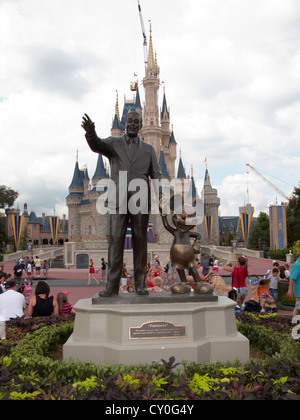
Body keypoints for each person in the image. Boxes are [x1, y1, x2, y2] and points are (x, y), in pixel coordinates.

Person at [82, 111, 162, 296]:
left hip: (140, 200)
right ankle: (112, 285)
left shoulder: (149, 149)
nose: (133, 124)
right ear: (125, 123)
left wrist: (160, 194)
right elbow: (97, 146)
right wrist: (91, 133)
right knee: (116, 241)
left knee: (141, 243)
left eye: (136, 121)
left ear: (141, 125)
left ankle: (141, 283)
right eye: (130, 121)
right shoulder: (114, 143)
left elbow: (156, 173)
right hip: (118, 199)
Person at [288, 249, 300, 316]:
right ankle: (293, 322)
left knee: (298, 309)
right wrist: (290, 290)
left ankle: (294, 322)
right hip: (299, 290)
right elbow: (292, 278)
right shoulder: (297, 265)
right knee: (298, 308)